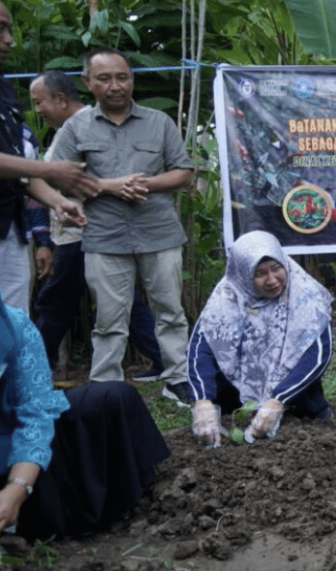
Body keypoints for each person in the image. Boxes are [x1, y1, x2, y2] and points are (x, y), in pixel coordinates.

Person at [49, 47, 193, 404]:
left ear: (132, 80)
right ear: (88, 82)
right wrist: (110, 186)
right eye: (104, 78)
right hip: (104, 236)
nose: (115, 86)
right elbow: (59, 179)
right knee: (109, 320)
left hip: (159, 233)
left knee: (170, 312)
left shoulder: (159, 122)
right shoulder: (76, 127)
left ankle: (178, 379)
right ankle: (105, 388)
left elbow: (183, 173)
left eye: (122, 77)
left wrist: (143, 184)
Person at [0, 292, 170, 540]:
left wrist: (17, 488)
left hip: (23, 444)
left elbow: (36, 412)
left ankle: (137, 498)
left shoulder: (14, 324)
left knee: (113, 398)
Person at [29, 70, 163, 376]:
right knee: (122, 300)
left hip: (83, 234)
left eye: (39, 102)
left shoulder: (84, 128)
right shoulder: (78, 127)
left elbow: (83, 180)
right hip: (87, 232)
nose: (38, 110)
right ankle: (167, 360)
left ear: (60, 99)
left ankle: (30, 369)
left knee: (55, 304)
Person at [187, 231, 334, 448]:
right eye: (260, 273)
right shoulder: (227, 295)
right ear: (243, 275)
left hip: (292, 394)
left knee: (308, 423)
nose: (272, 280)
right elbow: (201, 349)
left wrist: (278, 400)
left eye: (276, 268)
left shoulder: (306, 293)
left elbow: (318, 355)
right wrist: (202, 400)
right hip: (237, 397)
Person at [0, 1, 93, 313]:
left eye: (9, 29)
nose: (9, 40)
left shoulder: (5, 91)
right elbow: (33, 168)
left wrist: (57, 201)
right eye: (0, 29)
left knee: (15, 323)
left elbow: (20, 169)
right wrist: (51, 171)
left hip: (10, 227)